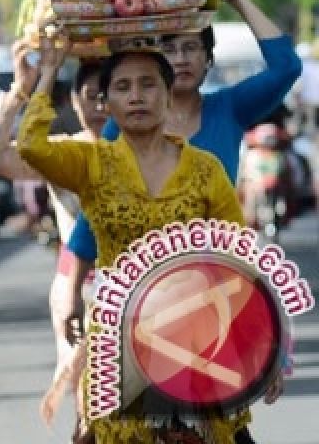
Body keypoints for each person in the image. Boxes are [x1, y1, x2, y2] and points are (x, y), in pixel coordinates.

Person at [59, 0, 300, 444]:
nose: (183, 58)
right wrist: (68, 292)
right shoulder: (126, 122)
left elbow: (287, 67)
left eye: (193, 48)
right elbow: (93, 218)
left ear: (208, 60)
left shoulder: (229, 109)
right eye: (171, 48)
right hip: (133, 312)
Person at [19, 35, 282, 444]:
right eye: (122, 88)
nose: (137, 97)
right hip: (121, 344)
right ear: (106, 103)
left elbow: (240, 263)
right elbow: (32, 148)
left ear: (166, 94)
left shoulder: (204, 169)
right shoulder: (92, 164)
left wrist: (267, 351)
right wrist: (49, 71)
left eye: (148, 85)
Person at [0, 47, 107, 425]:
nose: (99, 105)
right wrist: (22, 89)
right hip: (82, 290)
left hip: (149, 291)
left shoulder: (151, 151)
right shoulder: (62, 153)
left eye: (107, 94)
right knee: (93, 410)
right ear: (74, 102)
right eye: (89, 96)